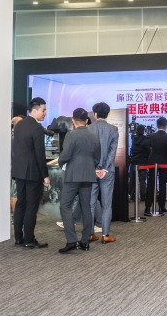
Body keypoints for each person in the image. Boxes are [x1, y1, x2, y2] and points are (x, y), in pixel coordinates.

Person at [58, 108, 101, 253]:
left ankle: (71, 240)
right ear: (87, 120)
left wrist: (61, 162)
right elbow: (97, 158)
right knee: (86, 207)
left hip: (73, 175)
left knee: (65, 206)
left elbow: (65, 155)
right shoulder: (94, 136)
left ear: (73, 120)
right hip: (88, 175)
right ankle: (85, 241)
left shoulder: (71, 135)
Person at [11, 99, 50, 249]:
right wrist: (45, 175)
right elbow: (40, 154)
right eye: (43, 110)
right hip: (33, 173)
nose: (45, 113)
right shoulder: (37, 128)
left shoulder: (19, 125)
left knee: (20, 204)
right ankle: (29, 239)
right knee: (31, 206)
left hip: (19, 171)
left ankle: (18, 238)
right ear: (35, 110)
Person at [88, 102, 119, 244]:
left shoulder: (88, 129)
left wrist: (95, 168)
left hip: (91, 171)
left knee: (90, 203)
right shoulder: (113, 129)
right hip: (108, 172)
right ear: (107, 114)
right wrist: (105, 169)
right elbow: (112, 152)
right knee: (107, 204)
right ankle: (105, 235)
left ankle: (90, 233)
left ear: (95, 114)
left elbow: (88, 152)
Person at [146, 116, 167, 215]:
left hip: (152, 161)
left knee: (151, 184)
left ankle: (147, 207)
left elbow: (149, 147)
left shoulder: (151, 136)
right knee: (162, 184)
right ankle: (162, 207)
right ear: (166, 126)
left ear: (157, 126)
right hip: (164, 162)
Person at [129, 123, 150, 201]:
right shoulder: (146, 140)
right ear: (144, 131)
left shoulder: (134, 139)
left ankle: (130, 194)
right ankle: (143, 195)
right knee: (142, 179)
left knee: (132, 179)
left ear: (136, 131)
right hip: (142, 161)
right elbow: (148, 151)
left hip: (134, 161)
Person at [10, 115, 24, 223]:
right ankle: (16, 217)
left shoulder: (12, 138)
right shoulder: (15, 139)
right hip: (16, 169)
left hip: (15, 169)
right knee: (15, 194)